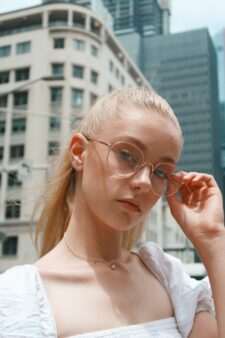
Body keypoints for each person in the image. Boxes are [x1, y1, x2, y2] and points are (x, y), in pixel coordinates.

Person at [0, 86, 224, 338]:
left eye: (160, 172)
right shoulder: (20, 299)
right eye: (127, 155)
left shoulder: (167, 278)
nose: (145, 182)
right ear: (78, 152)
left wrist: (213, 238)